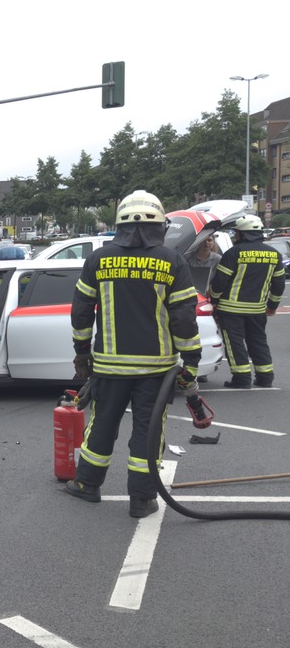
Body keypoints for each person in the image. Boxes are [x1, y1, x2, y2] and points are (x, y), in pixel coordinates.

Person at [65, 190, 202, 519]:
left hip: (110, 367)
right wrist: (191, 364)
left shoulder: (99, 260)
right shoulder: (172, 261)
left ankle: (87, 484)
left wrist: (82, 354)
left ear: (119, 225)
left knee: (102, 424)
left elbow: (81, 312)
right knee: (148, 430)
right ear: (160, 225)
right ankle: (141, 499)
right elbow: (184, 318)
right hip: (156, 370)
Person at [209, 215, 285, 389]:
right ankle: (265, 377)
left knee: (234, 343)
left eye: (237, 233)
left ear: (242, 234)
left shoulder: (234, 253)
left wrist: (213, 299)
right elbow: (279, 285)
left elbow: (220, 282)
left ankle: (241, 378)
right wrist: (272, 306)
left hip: (230, 309)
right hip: (257, 309)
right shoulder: (274, 254)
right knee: (258, 341)